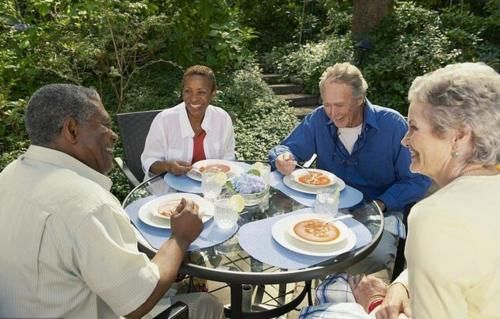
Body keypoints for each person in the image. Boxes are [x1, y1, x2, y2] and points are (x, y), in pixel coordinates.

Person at [0, 84, 224, 319]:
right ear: (72, 130)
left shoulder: (9, 174)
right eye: (104, 125)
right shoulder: (85, 203)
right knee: (207, 304)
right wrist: (180, 237)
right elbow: (138, 301)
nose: (113, 134)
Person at [299, 62, 500, 318]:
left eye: (414, 127)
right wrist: (401, 285)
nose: (405, 140)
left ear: (459, 137)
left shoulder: (435, 217)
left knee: (318, 309)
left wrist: (373, 304)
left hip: (380, 220)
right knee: (334, 287)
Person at [269, 62, 431, 274]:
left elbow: (418, 179)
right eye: (328, 105)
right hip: (328, 210)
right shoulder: (319, 119)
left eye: (339, 105)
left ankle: (337, 296)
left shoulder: (392, 125)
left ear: (359, 99)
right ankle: (328, 295)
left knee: (368, 257)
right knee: (290, 242)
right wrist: (282, 156)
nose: (332, 113)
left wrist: (381, 204)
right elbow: (285, 148)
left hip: (380, 213)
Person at [141, 64, 235, 179]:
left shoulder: (222, 119)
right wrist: (168, 166)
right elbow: (148, 161)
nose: (193, 98)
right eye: (188, 91)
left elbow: (228, 157)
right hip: (169, 192)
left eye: (201, 92)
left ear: (213, 93)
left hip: (212, 189)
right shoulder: (164, 120)